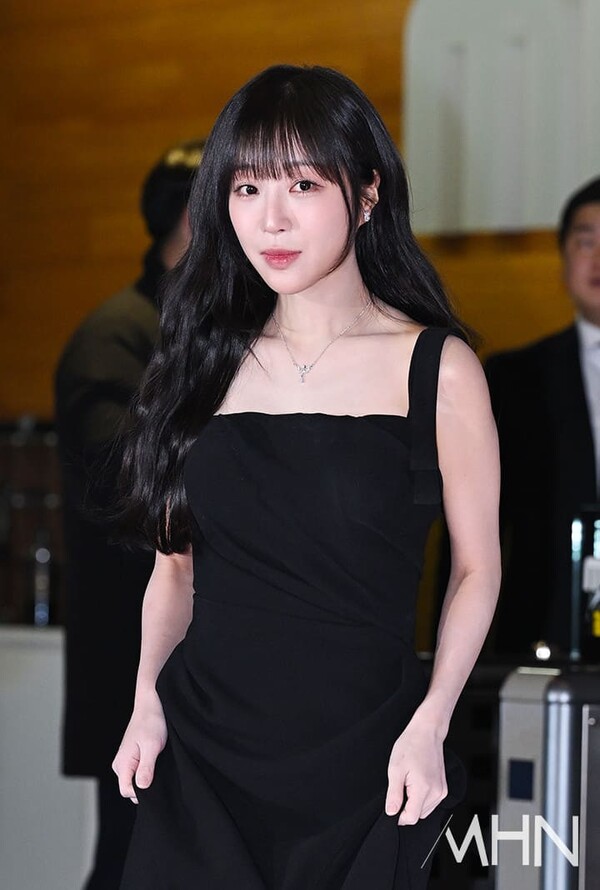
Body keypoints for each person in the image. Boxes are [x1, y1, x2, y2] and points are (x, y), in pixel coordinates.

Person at [112, 65, 500, 889]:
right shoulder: (202, 363)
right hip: (204, 753)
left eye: (303, 184)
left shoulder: (437, 368)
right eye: (247, 188)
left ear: (367, 195)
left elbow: (476, 568)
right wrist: (146, 700)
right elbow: (173, 571)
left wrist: (433, 722)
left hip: (369, 759)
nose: (272, 219)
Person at [55, 139, 204, 890]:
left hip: (198, 652)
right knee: (130, 859)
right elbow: (125, 482)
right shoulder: (115, 335)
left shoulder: (202, 325)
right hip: (133, 650)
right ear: (193, 216)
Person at [486, 176, 600, 657]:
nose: (598, 258)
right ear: (563, 262)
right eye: (585, 241)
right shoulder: (513, 378)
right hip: (543, 632)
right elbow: (478, 531)